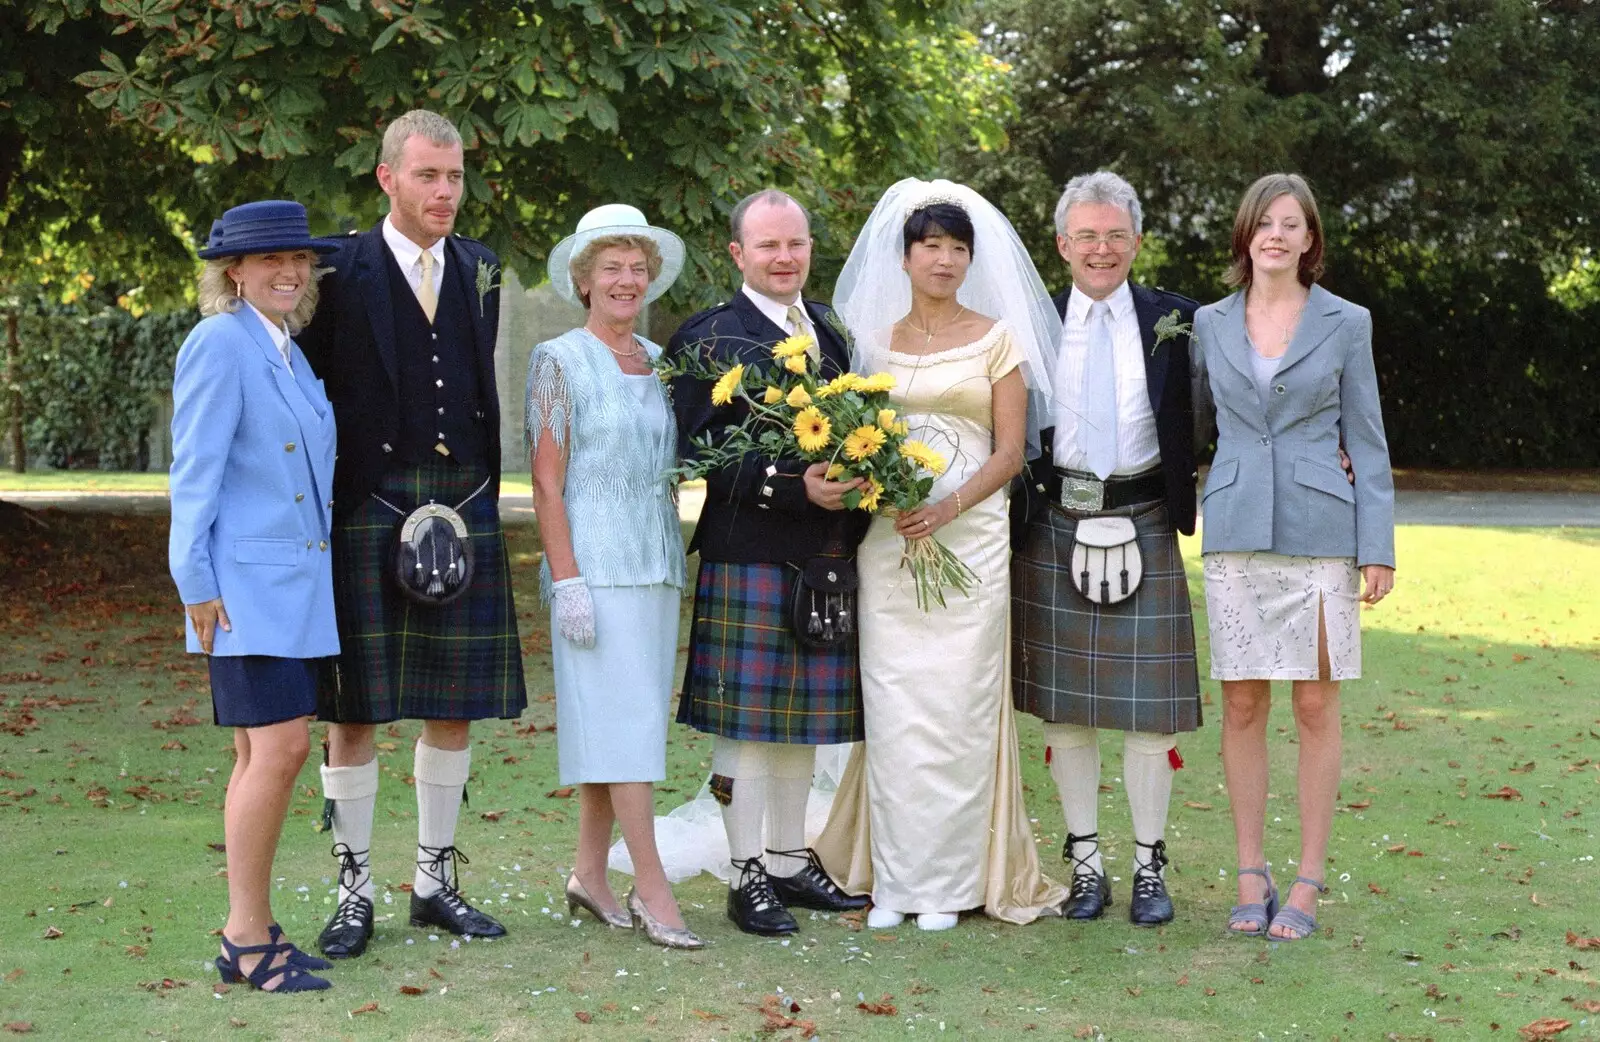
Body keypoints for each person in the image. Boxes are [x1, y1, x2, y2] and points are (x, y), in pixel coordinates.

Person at [297, 110, 528, 960]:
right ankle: (354, 890)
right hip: (367, 503)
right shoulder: (336, 267)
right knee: (354, 711)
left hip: (459, 499)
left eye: (455, 176)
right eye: (428, 175)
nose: (444, 192)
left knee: (451, 703)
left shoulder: (481, 268)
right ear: (388, 177)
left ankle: (434, 883)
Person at [815, 178, 1067, 930]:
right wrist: (886, 495)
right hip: (890, 542)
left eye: (958, 249)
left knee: (957, 707)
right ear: (906, 255)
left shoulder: (998, 338)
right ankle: (896, 880)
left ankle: (953, 884)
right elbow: (848, 431)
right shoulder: (871, 342)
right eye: (932, 247)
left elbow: (1014, 450)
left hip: (972, 538)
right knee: (896, 708)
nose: (946, 260)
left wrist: (950, 505)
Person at [1192, 173, 1395, 940]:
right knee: (1243, 704)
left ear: (1310, 239)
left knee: (1314, 704)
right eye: (1263, 223)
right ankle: (1251, 870)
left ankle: (1308, 878)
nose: (1277, 234)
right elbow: (1194, 422)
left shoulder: (1347, 323)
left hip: (1322, 528)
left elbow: (1367, 437)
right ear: (1246, 237)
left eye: (1292, 224)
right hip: (1238, 523)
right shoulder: (1209, 323)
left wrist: (1377, 546)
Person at [668, 189, 872, 936]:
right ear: (738, 254)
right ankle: (744, 870)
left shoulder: (833, 334)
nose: (785, 258)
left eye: (796, 244)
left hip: (825, 556)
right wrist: (793, 486)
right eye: (768, 246)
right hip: (750, 550)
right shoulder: (710, 337)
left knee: (803, 722)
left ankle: (788, 861)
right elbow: (693, 451)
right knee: (750, 724)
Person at [1009, 171, 1204, 927]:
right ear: (1062, 244)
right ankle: (1086, 862)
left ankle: (1150, 866)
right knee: (1067, 712)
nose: (1101, 249)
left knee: (1152, 717)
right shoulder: (1030, 323)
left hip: (1147, 512)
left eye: (1116, 235)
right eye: (1087, 236)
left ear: (1137, 242)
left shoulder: (1179, 322)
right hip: (1056, 519)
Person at [169, 199, 340, 992]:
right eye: (270, 259)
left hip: (293, 589)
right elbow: (194, 472)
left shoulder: (288, 352)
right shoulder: (219, 342)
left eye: (299, 259)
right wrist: (194, 582)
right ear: (232, 271)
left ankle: (256, 926)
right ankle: (245, 936)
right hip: (242, 590)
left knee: (259, 754)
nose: (289, 271)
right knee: (280, 751)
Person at [525, 204, 703, 949]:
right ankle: (652, 889)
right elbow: (545, 481)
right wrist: (567, 580)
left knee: (621, 725)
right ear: (585, 281)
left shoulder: (661, 364)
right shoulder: (559, 359)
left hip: (654, 562)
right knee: (627, 731)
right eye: (612, 270)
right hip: (593, 569)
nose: (627, 281)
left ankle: (589, 876)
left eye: (637, 268)